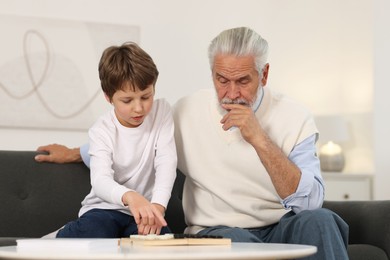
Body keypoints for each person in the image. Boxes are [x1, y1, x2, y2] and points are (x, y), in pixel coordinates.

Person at [35, 27, 348, 259]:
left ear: (263, 75)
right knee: (236, 242)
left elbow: (309, 203)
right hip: (219, 230)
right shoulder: (184, 112)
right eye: (221, 80)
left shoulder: (296, 118)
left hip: (281, 224)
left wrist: (260, 139)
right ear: (211, 74)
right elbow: (130, 141)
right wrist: (75, 153)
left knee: (320, 221)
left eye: (243, 81)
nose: (231, 93)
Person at [52, 42, 177, 238]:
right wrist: (130, 196)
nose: (139, 108)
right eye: (127, 101)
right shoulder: (101, 130)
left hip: (143, 213)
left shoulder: (162, 112)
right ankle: (59, 237)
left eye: (146, 97)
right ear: (108, 97)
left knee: (161, 240)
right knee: (97, 231)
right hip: (104, 209)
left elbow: (166, 161)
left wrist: (158, 206)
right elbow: (100, 180)